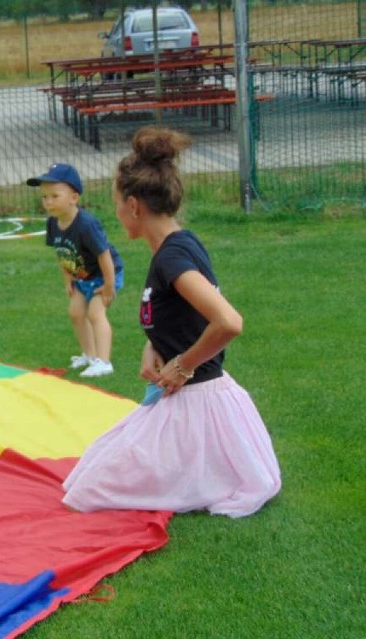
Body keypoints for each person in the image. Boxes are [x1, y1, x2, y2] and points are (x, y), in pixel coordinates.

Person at [62, 127, 281, 518]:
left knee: (88, 489)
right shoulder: (178, 244)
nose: (115, 213)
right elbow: (183, 315)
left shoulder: (172, 258)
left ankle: (201, 469)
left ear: (133, 205)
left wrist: (183, 364)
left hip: (197, 407)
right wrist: (156, 344)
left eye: (115, 204)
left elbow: (228, 321)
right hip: (188, 401)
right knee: (88, 471)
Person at [27, 163, 124, 377]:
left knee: (95, 313)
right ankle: (89, 355)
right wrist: (67, 278)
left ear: (74, 197)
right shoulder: (53, 223)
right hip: (81, 276)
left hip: (104, 274)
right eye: (44, 197)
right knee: (75, 312)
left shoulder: (87, 224)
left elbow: (104, 254)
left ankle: (104, 362)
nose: (48, 201)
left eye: (54, 196)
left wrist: (109, 285)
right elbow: (62, 252)